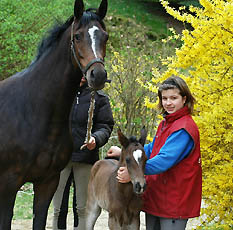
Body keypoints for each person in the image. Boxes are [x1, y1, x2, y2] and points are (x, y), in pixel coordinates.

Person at [107, 76, 202, 230]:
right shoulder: (166, 123)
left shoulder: (184, 128)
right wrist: (125, 153)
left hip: (173, 202)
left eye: (173, 98)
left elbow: (165, 160)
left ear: (184, 99)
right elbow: (151, 149)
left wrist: (132, 173)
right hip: (157, 196)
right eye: (164, 98)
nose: (168, 103)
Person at [53, 76, 114, 230]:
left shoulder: (100, 98)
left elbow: (105, 125)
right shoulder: (60, 94)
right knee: (58, 207)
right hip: (60, 158)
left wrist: (96, 138)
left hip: (86, 158)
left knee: (82, 208)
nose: (80, 76)